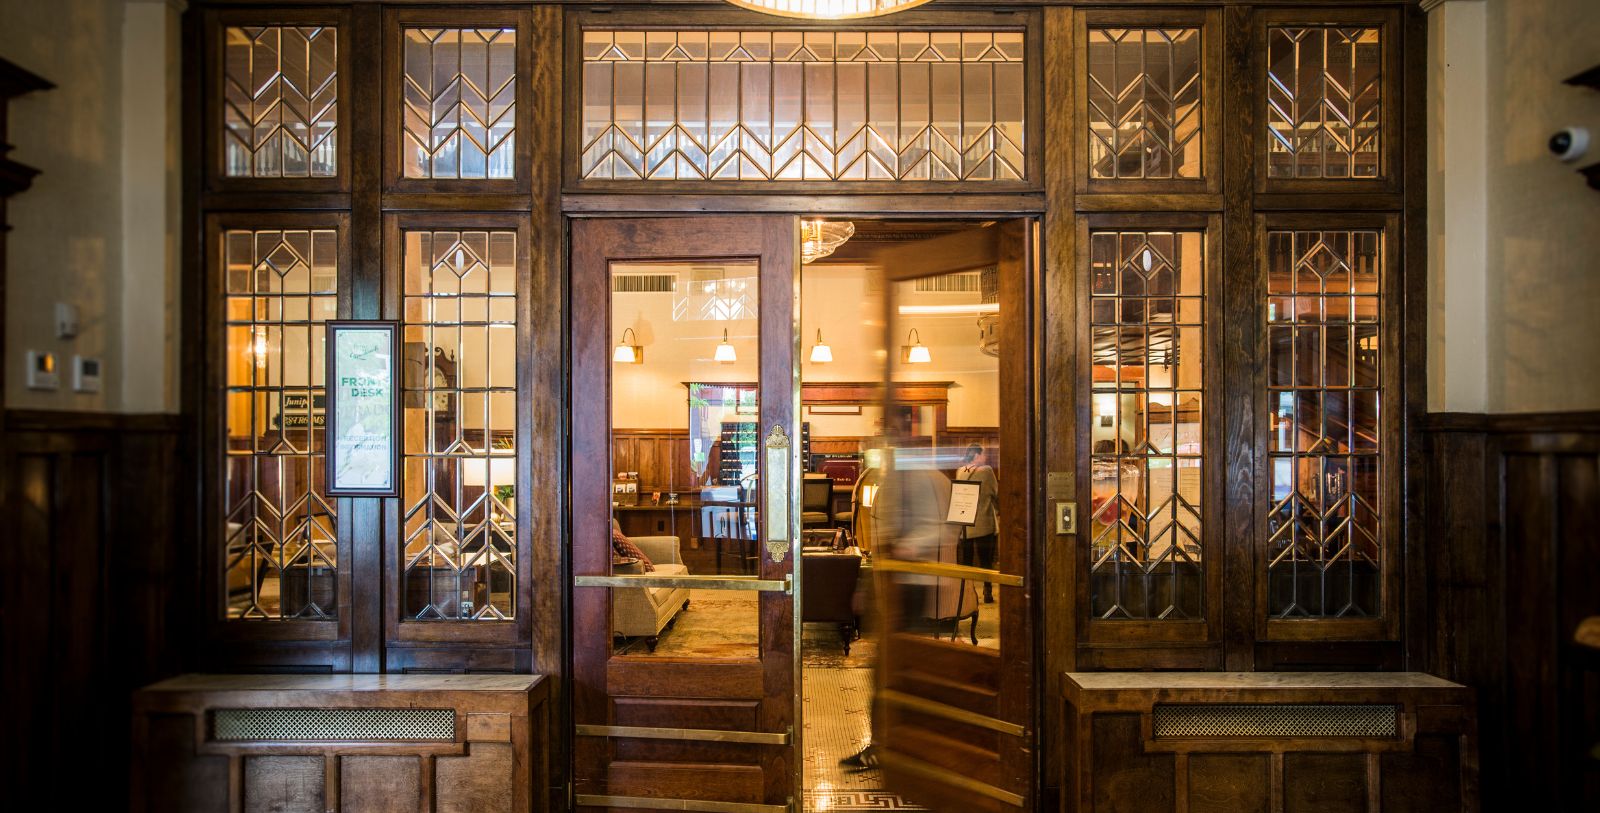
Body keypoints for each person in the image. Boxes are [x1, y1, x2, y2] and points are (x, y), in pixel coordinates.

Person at [955, 443, 999, 603]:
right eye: (983, 454)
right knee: (985, 561)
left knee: (966, 562)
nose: (985, 457)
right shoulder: (986, 471)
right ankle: (987, 592)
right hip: (983, 524)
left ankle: (966, 594)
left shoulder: (960, 471)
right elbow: (995, 493)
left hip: (965, 525)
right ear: (976, 456)